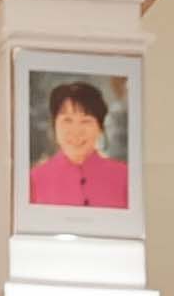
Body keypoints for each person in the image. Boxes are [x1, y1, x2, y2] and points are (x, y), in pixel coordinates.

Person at [28, 80, 128, 208]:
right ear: (54, 126)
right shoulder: (34, 179)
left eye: (86, 121)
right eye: (67, 120)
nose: (76, 131)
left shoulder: (125, 177)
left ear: (100, 128)